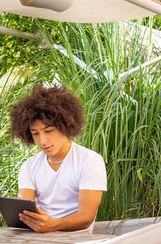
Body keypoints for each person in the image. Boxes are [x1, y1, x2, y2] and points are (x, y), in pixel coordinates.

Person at [10, 84, 107, 233]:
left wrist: (53, 224)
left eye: (48, 130)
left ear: (66, 125)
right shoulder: (29, 166)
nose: (42, 141)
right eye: (35, 133)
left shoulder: (90, 161)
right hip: (37, 240)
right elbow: (24, 210)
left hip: (76, 243)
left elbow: (86, 217)